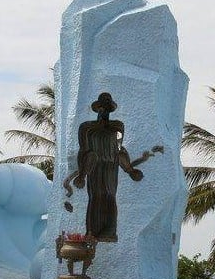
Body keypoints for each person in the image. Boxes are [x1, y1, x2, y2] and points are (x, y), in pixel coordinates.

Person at [63, 92, 162, 241]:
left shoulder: (117, 127)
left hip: (111, 166)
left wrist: (129, 170)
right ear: (97, 108)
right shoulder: (87, 128)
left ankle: (109, 231)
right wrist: (82, 174)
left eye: (107, 107)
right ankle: (92, 232)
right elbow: (83, 151)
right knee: (95, 196)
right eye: (101, 107)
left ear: (110, 109)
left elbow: (119, 148)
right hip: (94, 166)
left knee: (110, 195)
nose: (104, 110)